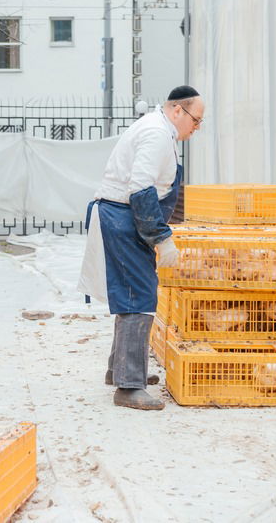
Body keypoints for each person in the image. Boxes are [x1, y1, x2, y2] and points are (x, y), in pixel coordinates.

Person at [78, 85, 205, 410]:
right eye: (196, 119)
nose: (196, 127)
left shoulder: (160, 132)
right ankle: (128, 386)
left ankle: (119, 370)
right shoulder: (156, 134)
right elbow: (141, 189)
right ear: (178, 110)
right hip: (123, 217)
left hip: (123, 217)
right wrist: (161, 238)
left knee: (131, 294)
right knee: (139, 297)